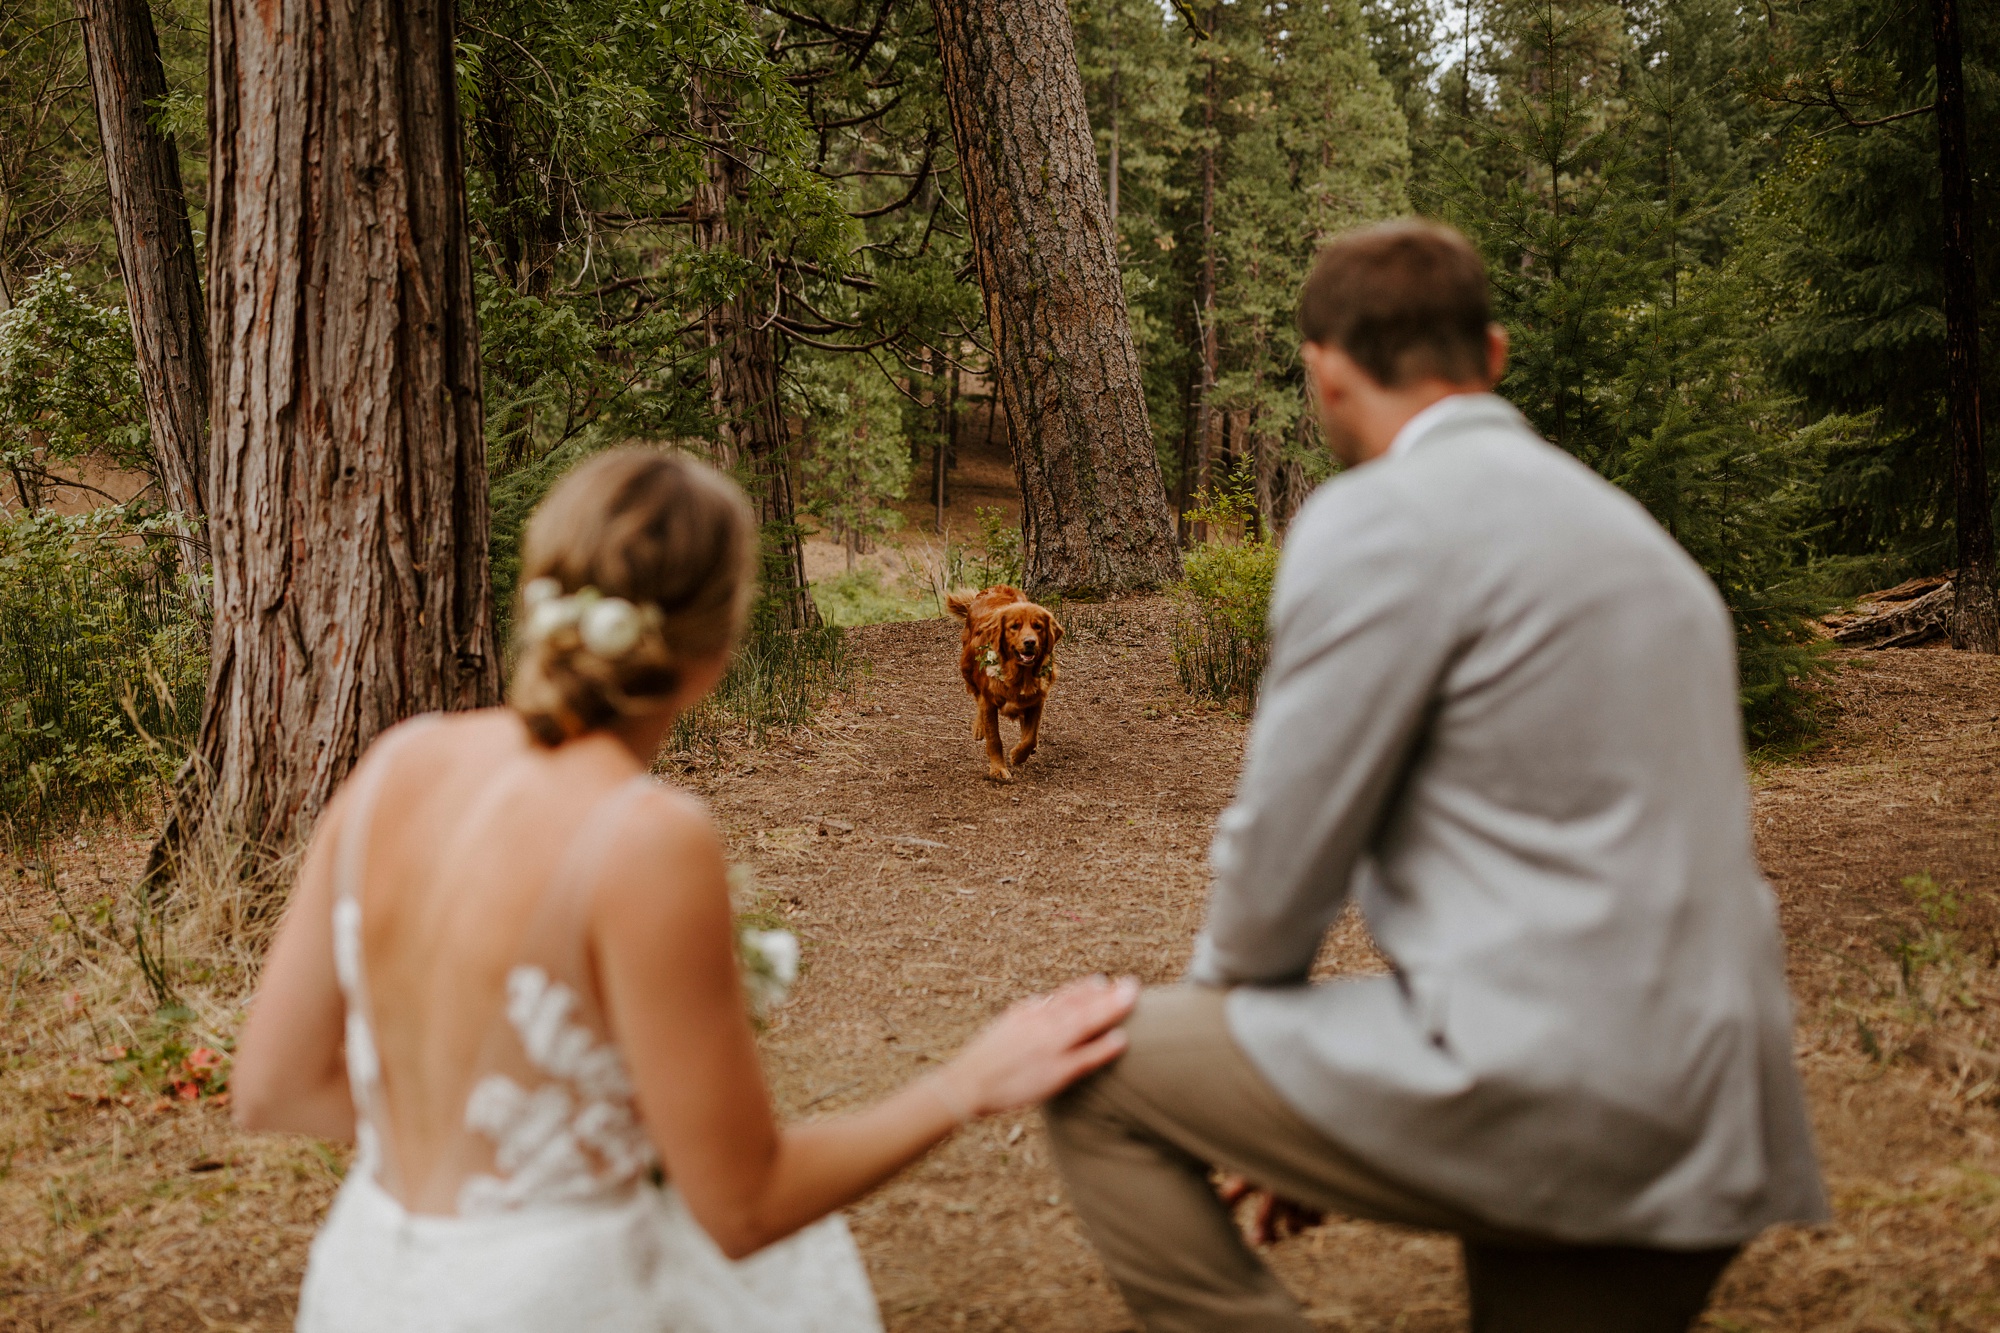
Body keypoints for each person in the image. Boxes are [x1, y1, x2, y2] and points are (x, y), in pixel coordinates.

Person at [1042, 220, 1829, 1333]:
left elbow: (1282, 860)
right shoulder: (1644, 550)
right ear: (1492, 356)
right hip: (1714, 1098)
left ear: (1321, 368)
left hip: (1538, 1079)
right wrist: (1294, 1109)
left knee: (1095, 1077)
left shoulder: (1378, 520)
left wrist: (1247, 1097)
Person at [232, 448, 1139, 1332]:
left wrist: (501, 1147)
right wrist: (969, 1081)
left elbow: (271, 1087)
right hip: (560, 1298)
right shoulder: (644, 837)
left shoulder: (399, 763)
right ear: (715, 648)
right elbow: (744, 1206)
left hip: (365, 1285)